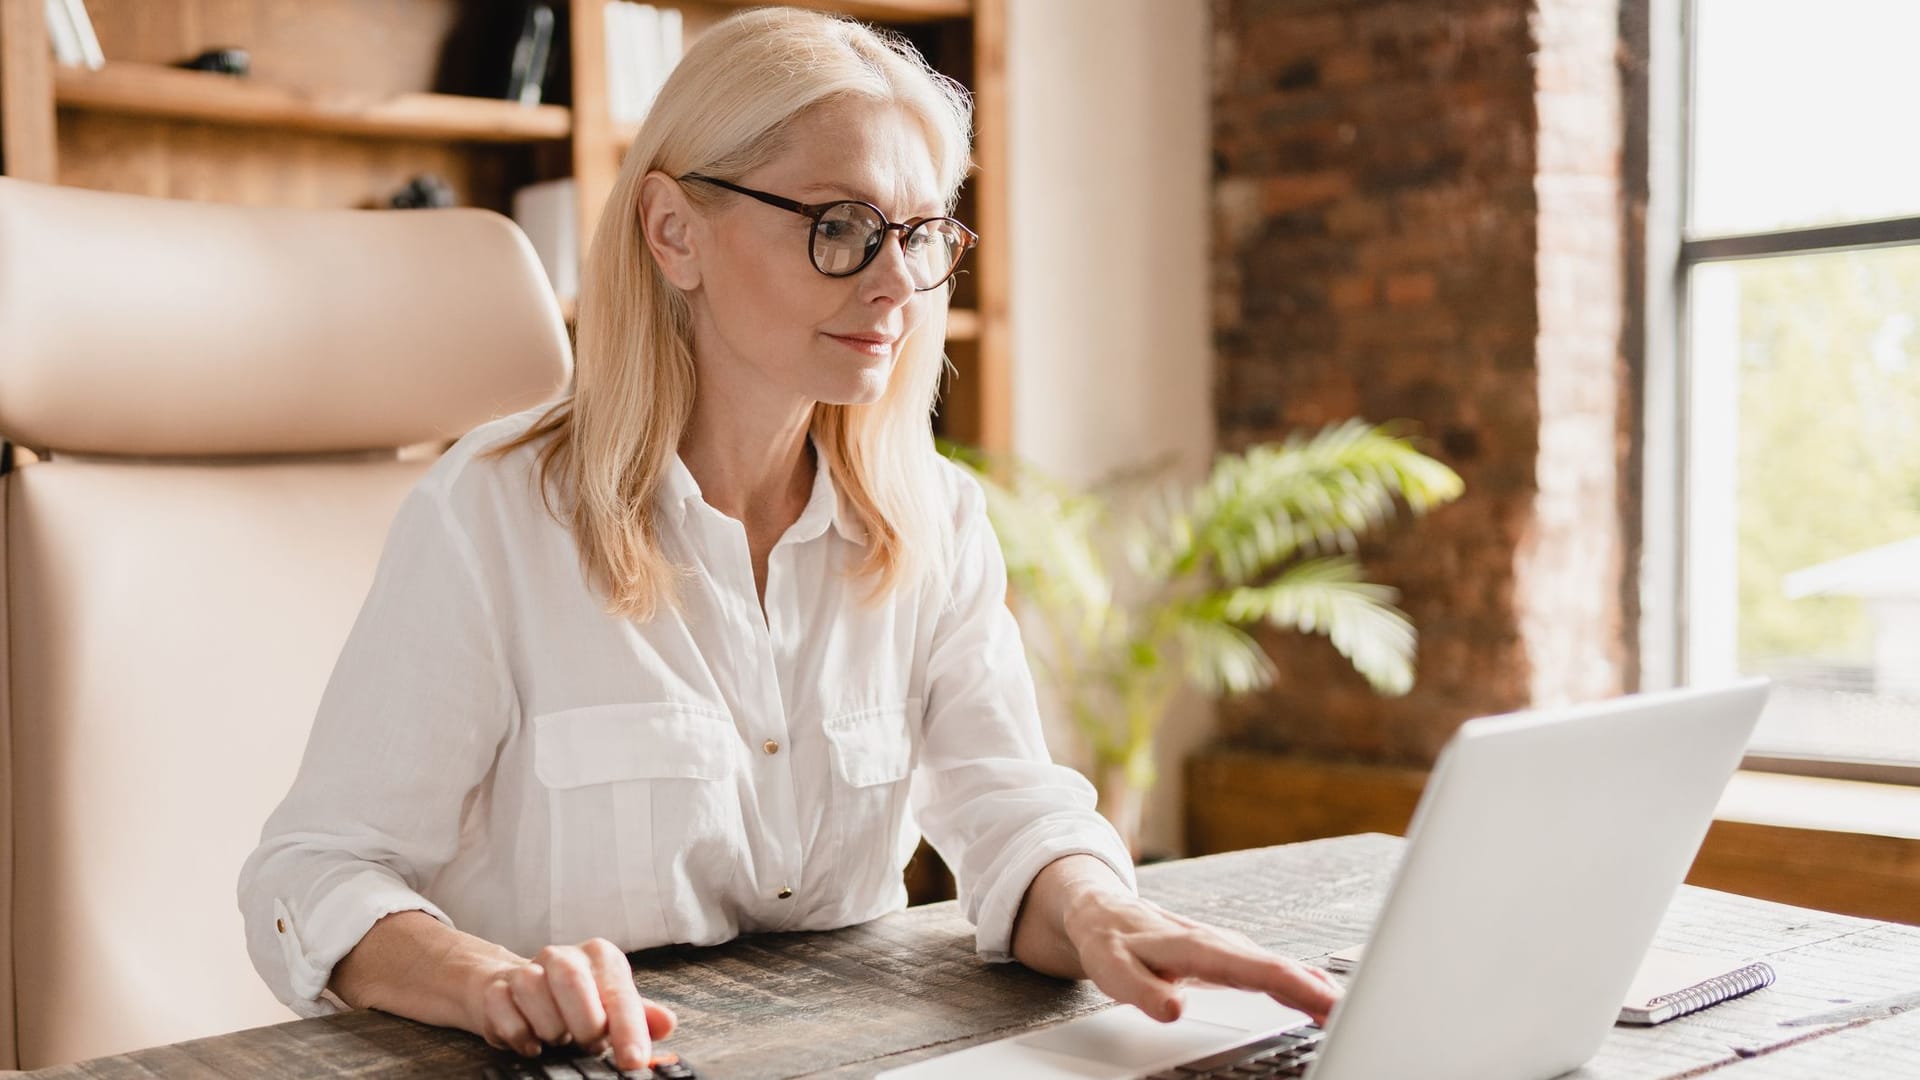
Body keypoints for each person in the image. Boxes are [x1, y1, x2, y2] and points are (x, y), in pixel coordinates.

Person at [237, 7, 1340, 1073]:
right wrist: (486, 982)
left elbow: (1009, 809)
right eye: (841, 228)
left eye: (918, 235)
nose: (897, 283)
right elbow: (316, 872)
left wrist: (1102, 912)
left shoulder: (933, 520)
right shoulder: (493, 515)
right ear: (675, 233)